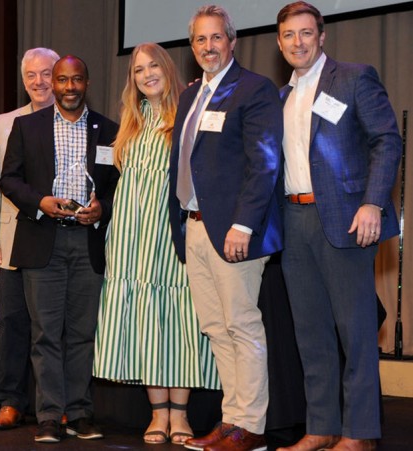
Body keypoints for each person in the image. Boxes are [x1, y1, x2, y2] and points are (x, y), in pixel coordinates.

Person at [275, 3, 402, 450]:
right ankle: (321, 428)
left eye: (306, 33)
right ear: (279, 43)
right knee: (311, 335)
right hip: (293, 222)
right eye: (289, 35)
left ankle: (359, 433)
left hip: (347, 221)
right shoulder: (281, 96)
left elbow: (387, 139)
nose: (298, 42)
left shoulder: (353, 77)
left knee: (356, 332)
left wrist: (372, 203)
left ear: (322, 36)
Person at [168, 5, 283, 451]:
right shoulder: (190, 96)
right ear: (192, 46)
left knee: (241, 325)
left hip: (233, 232)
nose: (208, 46)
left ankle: (251, 426)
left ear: (232, 42)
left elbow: (264, 162)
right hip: (195, 228)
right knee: (216, 328)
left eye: (216, 37)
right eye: (200, 39)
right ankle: (231, 419)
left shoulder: (254, 88)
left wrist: (243, 224)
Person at [92, 43, 218, 445]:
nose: (146, 74)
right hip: (130, 238)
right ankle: (157, 414)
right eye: (138, 69)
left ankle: (180, 415)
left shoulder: (188, 114)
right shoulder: (129, 122)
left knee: (177, 320)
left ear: (167, 68)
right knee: (144, 320)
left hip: (170, 233)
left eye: (152, 66)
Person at [0, 55, 119, 443]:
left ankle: (80, 413)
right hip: (41, 239)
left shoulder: (109, 130)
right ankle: (50, 415)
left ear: (87, 83)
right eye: (62, 80)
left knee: (83, 334)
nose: (70, 87)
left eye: (77, 80)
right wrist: (40, 202)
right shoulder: (27, 126)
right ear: (53, 83)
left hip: (88, 241)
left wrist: (103, 209)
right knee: (45, 334)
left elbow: (118, 187)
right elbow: (8, 180)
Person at [0, 47, 60, 430]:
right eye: (31, 75)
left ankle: (55, 405)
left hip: (60, 240)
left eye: (47, 73)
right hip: (13, 240)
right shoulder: (3, 123)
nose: (39, 82)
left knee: (54, 326)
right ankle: (11, 401)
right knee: (12, 323)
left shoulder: (75, 120)